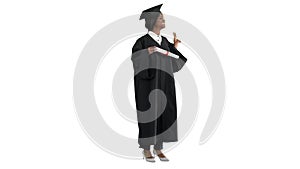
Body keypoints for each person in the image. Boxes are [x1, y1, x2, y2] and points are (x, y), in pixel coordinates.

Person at [131, 4, 187, 162]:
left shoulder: (164, 41)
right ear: (152, 21)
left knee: (164, 113)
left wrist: (174, 47)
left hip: (165, 83)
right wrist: (146, 52)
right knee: (149, 114)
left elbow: (176, 61)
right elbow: (135, 60)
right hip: (148, 86)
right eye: (161, 17)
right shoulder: (141, 42)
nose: (164, 19)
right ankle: (146, 149)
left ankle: (158, 148)